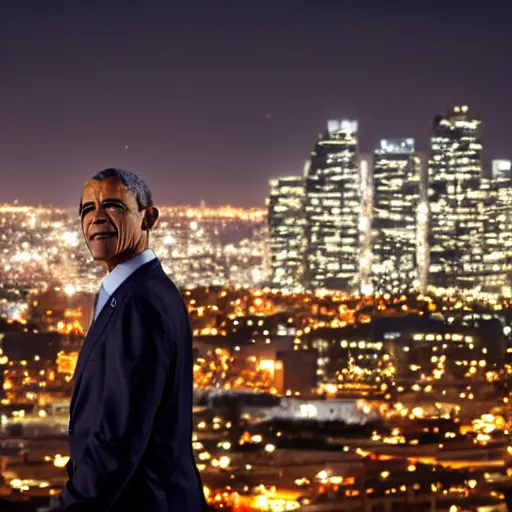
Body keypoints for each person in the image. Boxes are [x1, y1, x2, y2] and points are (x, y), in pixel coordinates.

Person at [51, 168, 207, 511]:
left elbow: (119, 437)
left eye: (112, 206)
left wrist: (70, 505)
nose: (96, 218)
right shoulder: (135, 291)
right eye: (87, 209)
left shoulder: (141, 302)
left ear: (148, 218)